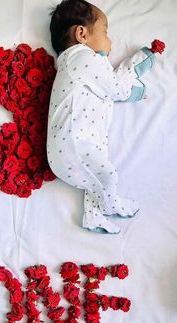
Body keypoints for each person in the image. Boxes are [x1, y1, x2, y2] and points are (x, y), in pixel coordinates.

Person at [47, 0, 165, 234]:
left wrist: (140, 61)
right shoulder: (81, 57)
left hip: (76, 146)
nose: (110, 42)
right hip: (72, 145)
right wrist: (138, 91)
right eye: (105, 31)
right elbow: (116, 88)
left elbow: (110, 81)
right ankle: (110, 202)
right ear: (81, 34)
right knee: (108, 174)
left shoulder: (82, 64)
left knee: (98, 176)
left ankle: (93, 216)